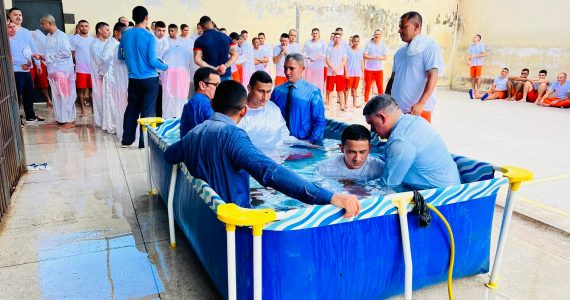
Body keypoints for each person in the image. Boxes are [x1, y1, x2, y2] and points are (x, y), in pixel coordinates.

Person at [165, 80, 360, 217]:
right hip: (236, 223)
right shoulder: (233, 136)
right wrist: (329, 196)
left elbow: (169, 155)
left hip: (206, 214)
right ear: (243, 110)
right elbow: (269, 171)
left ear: (213, 104)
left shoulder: (194, 134)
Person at [363, 94, 460, 189]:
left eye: (372, 124)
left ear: (382, 117)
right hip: (453, 183)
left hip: (439, 195)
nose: (373, 130)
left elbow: (388, 185)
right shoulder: (415, 120)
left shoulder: (399, 142)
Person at [118, 6, 168, 148]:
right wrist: (165, 66)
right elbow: (152, 61)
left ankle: (126, 141)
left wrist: (133, 60)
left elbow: (120, 56)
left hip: (133, 78)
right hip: (149, 79)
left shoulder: (126, 34)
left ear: (133, 18)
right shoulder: (149, 36)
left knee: (132, 108)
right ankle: (143, 143)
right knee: (148, 110)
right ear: (147, 18)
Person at [386, 11, 444, 123]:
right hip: (397, 112)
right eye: (399, 27)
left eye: (404, 27)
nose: (399, 31)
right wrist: (385, 101)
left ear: (416, 26)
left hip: (417, 111)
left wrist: (421, 103)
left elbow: (433, 76)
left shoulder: (429, 47)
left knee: (417, 140)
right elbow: (393, 79)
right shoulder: (400, 52)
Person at [270, 53, 326, 145]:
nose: (287, 72)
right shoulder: (277, 91)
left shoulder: (313, 92)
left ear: (302, 69)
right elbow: (270, 116)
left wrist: (311, 142)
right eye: (285, 68)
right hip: (281, 143)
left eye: (291, 68)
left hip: (303, 143)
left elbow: (320, 121)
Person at [238, 70, 294, 150]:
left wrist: (304, 144)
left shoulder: (273, 109)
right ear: (249, 88)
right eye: (261, 91)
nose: (265, 97)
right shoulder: (238, 111)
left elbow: (284, 136)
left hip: (276, 158)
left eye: (268, 92)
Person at [39, 14, 76, 129]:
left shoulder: (62, 36)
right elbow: (49, 53)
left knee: (66, 95)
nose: (41, 26)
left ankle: (69, 120)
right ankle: (60, 119)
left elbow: (66, 53)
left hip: (63, 71)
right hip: (53, 71)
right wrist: (43, 57)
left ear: (49, 23)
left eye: (43, 23)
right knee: (56, 95)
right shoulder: (49, 36)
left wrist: (48, 57)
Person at [7, 20, 45, 123]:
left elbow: (27, 53)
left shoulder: (19, 39)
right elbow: (8, 58)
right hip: (15, 71)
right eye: (10, 27)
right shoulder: (5, 42)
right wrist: (22, 63)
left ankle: (30, 115)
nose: (13, 28)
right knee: (16, 95)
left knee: (29, 93)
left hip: (25, 70)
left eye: (14, 26)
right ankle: (16, 118)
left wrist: (29, 63)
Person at [318, 124, 384, 181]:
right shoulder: (326, 168)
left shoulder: (380, 168)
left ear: (369, 149)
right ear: (342, 149)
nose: (357, 158)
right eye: (352, 152)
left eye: (362, 152)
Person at [99, 22, 127, 135]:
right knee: (112, 101)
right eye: (123, 34)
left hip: (120, 77)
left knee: (120, 101)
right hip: (111, 76)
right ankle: (113, 125)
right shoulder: (110, 44)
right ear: (116, 33)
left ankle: (120, 123)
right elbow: (104, 60)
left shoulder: (120, 43)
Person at [193, 16, 238, 81]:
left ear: (202, 27)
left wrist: (213, 69)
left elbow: (197, 59)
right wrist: (225, 66)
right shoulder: (225, 37)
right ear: (212, 24)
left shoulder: (199, 40)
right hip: (226, 74)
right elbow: (235, 54)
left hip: (209, 76)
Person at [179, 67, 220, 137]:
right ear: (202, 85)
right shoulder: (206, 105)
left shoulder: (190, 103)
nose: (219, 88)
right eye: (216, 85)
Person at [70, 20, 94, 117]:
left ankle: (94, 110)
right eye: (82, 26)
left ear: (89, 27)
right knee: (81, 91)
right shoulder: (74, 39)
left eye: (86, 26)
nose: (84, 28)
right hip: (81, 70)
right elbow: (72, 54)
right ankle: (83, 111)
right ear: (79, 27)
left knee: (93, 91)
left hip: (92, 70)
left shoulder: (93, 40)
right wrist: (71, 66)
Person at [89, 22, 110, 128]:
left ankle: (108, 122)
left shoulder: (108, 43)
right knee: (99, 99)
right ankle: (100, 122)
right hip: (99, 76)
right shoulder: (94, 44)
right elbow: (100, 61)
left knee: (108, 99)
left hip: (108, 77)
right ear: (100, 30)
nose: (109, 32)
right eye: (107, 30)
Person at [110, 25, 130, 140]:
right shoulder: (121, 48)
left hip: (122, 85)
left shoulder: (117, 48)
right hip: (124, 85)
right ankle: (125, 134)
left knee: (122, 110)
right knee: (124, 110)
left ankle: (122, 133)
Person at [363, 29, 388, 102]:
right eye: (375, 34)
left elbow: (385, 57)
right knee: (367, 86)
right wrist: (373, 57)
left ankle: (381, 103)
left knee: (380, 86)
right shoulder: (369, 45)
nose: (377, 35)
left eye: (378, 34)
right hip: (369, 69)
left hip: (379, 69)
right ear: (373, 35)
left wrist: (380, 58)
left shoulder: (383, 46)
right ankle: (366, 102)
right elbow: (364, 55)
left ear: (381, 36)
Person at [325, 33, 347, 110]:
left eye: (338, 37)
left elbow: (344, 61)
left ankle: (342, 106)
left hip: (340, 73)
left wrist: (337, 69)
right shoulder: (329, 48)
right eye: (336, 37)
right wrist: (333, 68)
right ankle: (329, 105)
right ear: (333, 38)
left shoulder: (343, 48)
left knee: (340, 90)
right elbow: (327, 60)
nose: (337, 38)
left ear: (341, 39)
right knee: (330, 90)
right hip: (330, 73)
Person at [303, 28, 327, 92]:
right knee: (308, 83)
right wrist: (307, 57)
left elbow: (325, 54)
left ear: (319, 34)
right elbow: (304, 53)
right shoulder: (307, 43)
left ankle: (318, 98)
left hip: (319, 67)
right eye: (313, 33)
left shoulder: (323, 43)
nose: (315, 34)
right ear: (311, 34)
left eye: (316, 33)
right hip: (309, 66)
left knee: (318, 83)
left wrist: (320, 56)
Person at [345, 34, 364, 108]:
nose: (356, 42)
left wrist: (363, 73)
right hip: (349, 73)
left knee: (355, 88)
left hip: (357, 73)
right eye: (355, 41)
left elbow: (362, 62)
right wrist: (346, 72)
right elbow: (345, 62)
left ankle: (354, 104)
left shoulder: (360, 51)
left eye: (358, 41)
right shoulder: (348, 50)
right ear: (352, 41)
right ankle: (345, 104)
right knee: (347, 88)